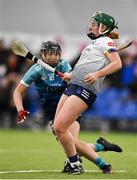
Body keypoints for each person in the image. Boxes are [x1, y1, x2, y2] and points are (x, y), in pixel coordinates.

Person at [13, 40, 122, 174]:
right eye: (49, 53)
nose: (53, 57)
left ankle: (103, 165)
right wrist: (20, 109)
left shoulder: (64, 65)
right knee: (71, 146)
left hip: (70, 106)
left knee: (71, 145)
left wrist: (70, 77)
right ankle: (100, 146)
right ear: (42, 54)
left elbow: (75, 80)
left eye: (55, 54)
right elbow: (18, 91)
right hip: (51, 112)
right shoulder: (36, 69)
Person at [53, 11, 123, 175]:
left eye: (94, 23)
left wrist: (97, 75)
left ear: (103, 27)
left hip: (84, 90)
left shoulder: (106, 41)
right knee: (59, 133)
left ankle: (75, 164)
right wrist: (71, 75)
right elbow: (85, 67)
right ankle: (102, 157)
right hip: (72, 86)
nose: (90, 26)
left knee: (59, 127)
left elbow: (117, 63)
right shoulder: (93, 45)